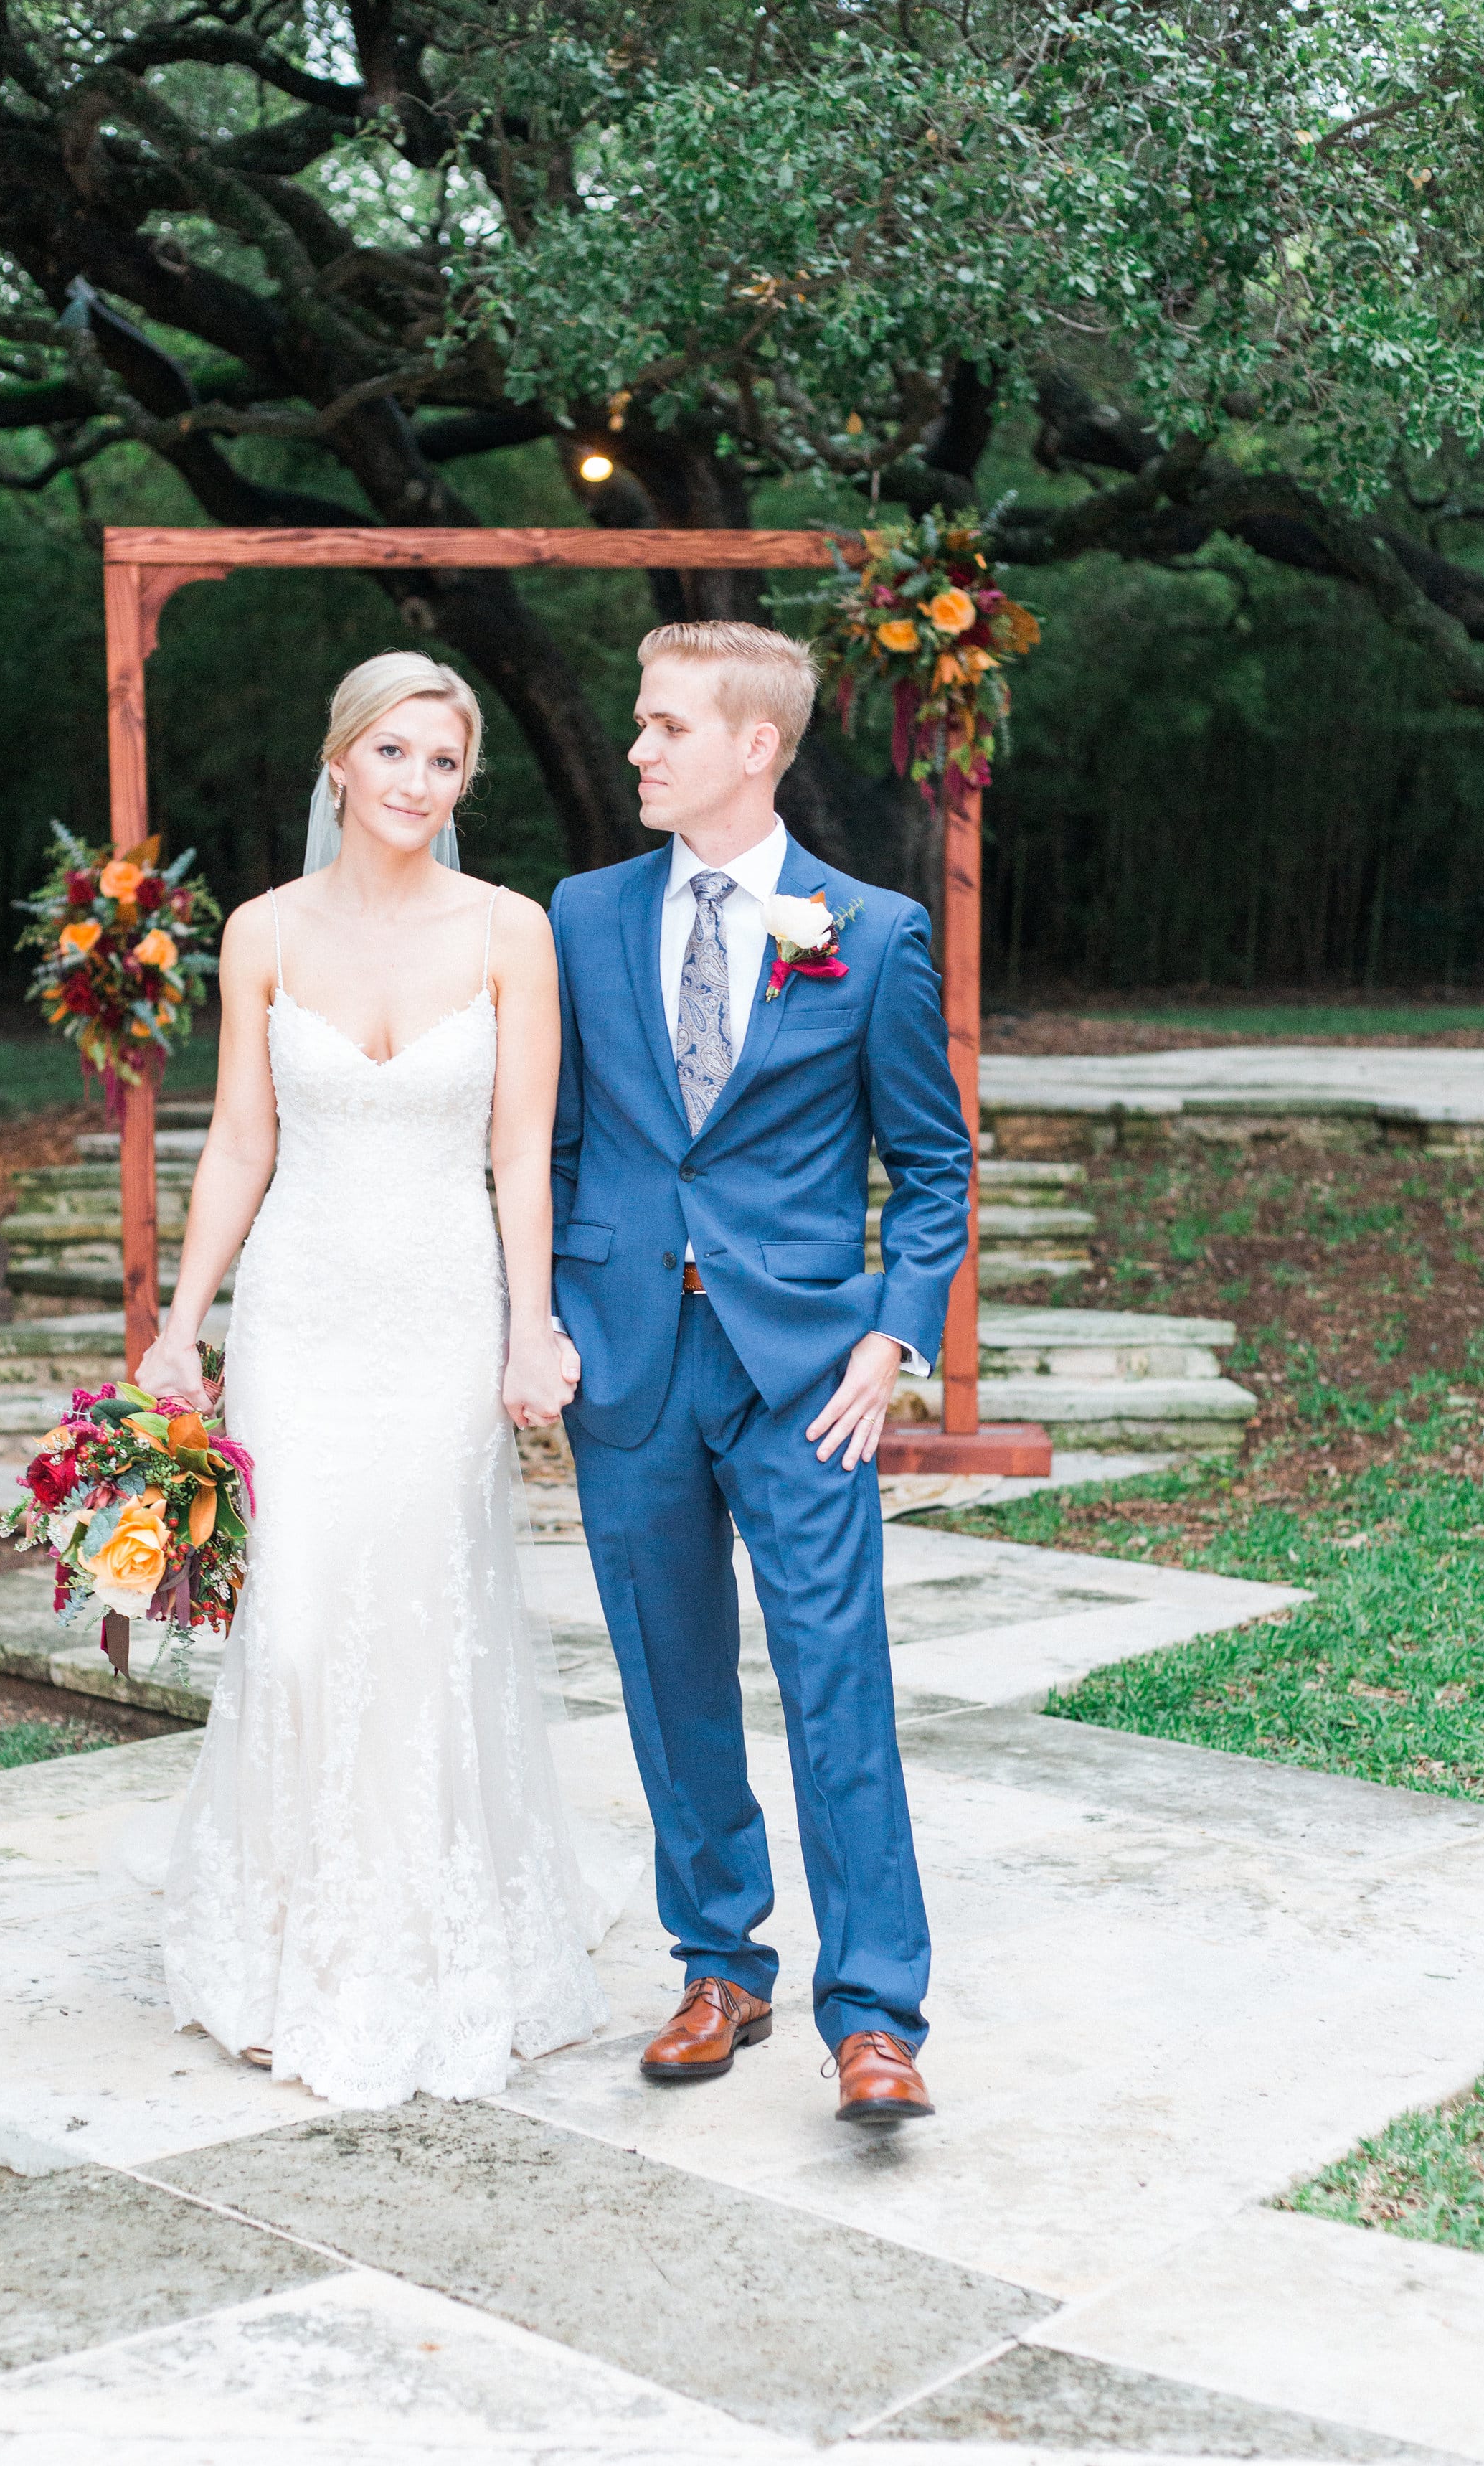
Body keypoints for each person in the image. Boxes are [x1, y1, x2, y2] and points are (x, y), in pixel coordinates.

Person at [136, 649, 608, 2109]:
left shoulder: (509, 931)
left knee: (422, 1620)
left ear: (466, 785)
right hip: (301, 1314)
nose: (417, 784)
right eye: (393, 754)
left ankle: (426, 1956)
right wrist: (178, 1325)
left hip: (440, 1316)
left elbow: (521, 1150)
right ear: (339, 761)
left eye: (445, 763)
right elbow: (238, 1143)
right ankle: (283, 1948)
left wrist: (534, 1325)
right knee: (291, 1630)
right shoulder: (263, 933)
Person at [549, 621, 973, 2126]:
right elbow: (554, 1143)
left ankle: (875, 2015)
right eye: (639, 724)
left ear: (755, 746)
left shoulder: (869, 930)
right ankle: (721, 1964)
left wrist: (893, 1334)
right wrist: (543, 1316)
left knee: (834, 1677)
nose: (637, 750)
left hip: (809, 1372)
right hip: (628, 1360)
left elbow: (930, 1167)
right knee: (670, 1680)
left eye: (665, 727)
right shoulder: (582, 916)